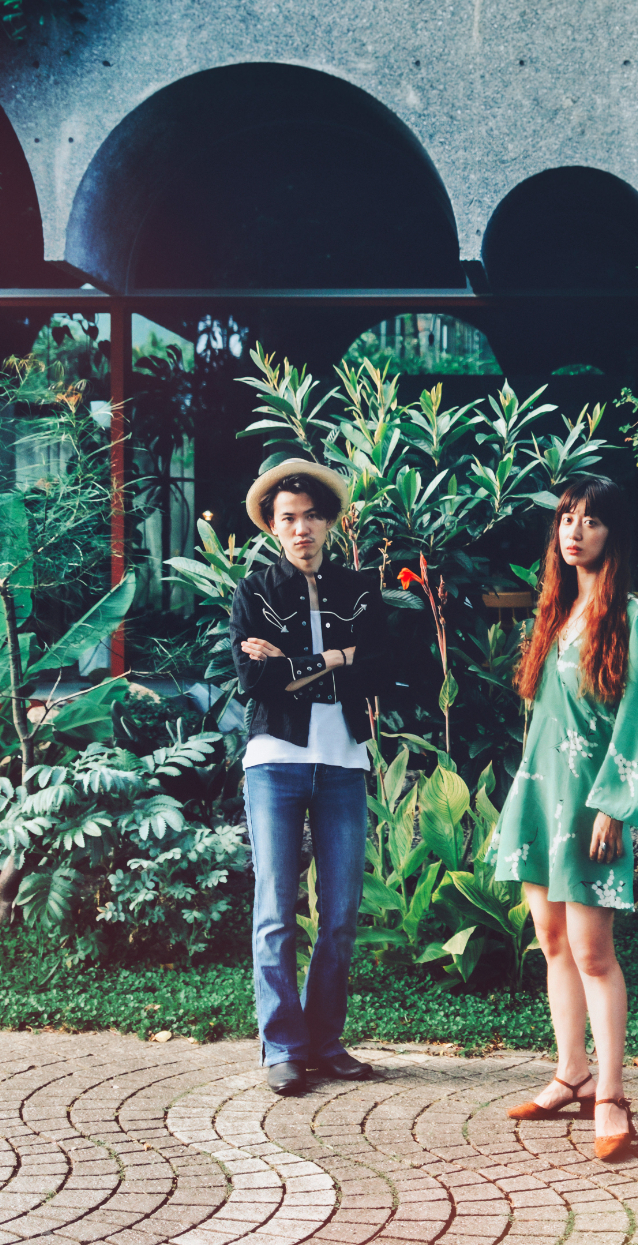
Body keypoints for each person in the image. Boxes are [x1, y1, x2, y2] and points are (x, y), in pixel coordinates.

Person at [489, 475, 638, 1162]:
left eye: (589, 518)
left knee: (593, 951)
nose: (574, 528)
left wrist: (613, 806)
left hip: (592, 803)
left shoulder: (633, 616)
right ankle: (572, 1072)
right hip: (540, 793)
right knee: (552, 942)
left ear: (612, 532)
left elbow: (635, 716)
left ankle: (612, 1092)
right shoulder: (555, 609)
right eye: (566, 516)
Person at [231, 459, 393, 1096]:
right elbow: (254, 681)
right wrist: (336, 658)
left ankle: (325, 1042)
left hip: (342, 763)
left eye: (311, 517)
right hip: (274, 761)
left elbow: (380, 669)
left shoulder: (359, 589)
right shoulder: (255, 591)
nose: (301, 530)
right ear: (273, 526)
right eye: (287, 519)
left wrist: (298, 662)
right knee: (275, 910)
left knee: (342, 912)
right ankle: (282, 1046)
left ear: (330, 521)